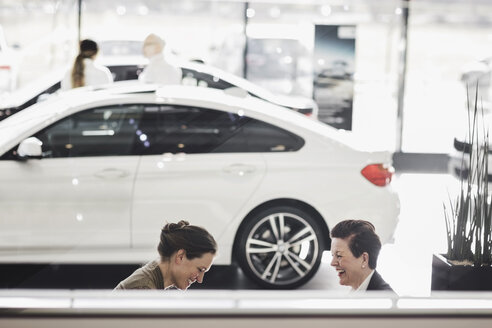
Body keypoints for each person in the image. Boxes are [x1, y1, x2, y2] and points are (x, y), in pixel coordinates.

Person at [114, 220, 217, 290]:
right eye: (200, 270)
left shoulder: (153, 272)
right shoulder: (144, 290)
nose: (200, 280)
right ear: (180, 256)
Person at [330, 219, 394, 292]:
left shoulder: (383, 300)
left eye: (339, 256)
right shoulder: (356, 290)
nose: (332, 263)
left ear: (364, 259)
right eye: (333, 255)